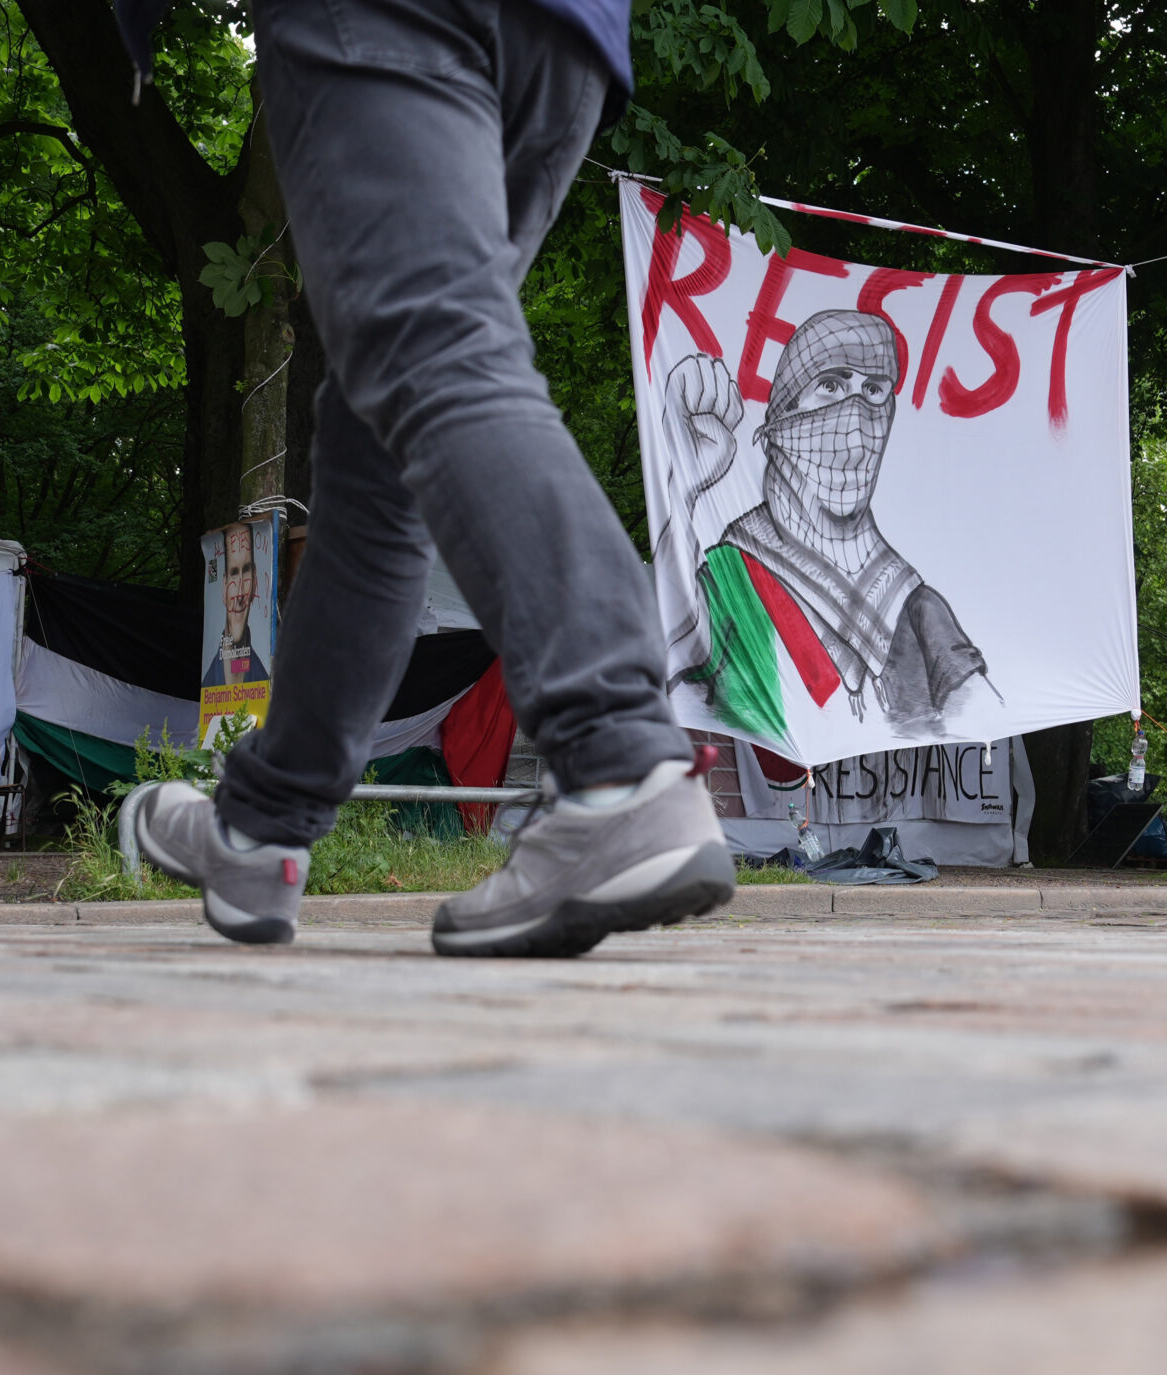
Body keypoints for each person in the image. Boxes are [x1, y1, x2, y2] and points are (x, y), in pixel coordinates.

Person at [115, 0, 734, 953]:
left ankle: (619, 760)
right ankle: (262, 823)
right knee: (380, 449)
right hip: (564, 40)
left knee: (436, 351)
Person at [663, 311, 988, 734]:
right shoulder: (730, 584)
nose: (854, 433)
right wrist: (681, 490)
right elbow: (663, 665)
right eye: (830, 385)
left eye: (873, 391)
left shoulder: (917, 606)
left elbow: (984, 720)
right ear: (782, 422)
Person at [200, 522, 269, 689]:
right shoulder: (208, 683)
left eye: (245, 571)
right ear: (224, 587)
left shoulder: (263, 679)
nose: (239, 593)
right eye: (233, 573)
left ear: (254, 584)